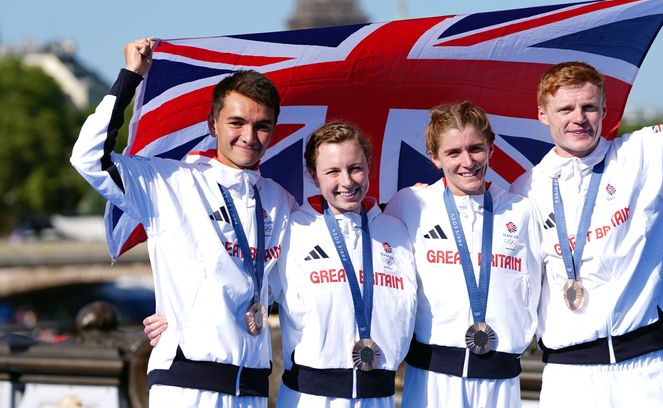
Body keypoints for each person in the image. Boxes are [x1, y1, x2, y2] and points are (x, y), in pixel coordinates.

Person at [509, 0, 663, 407]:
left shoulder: (644, 156)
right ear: (542, 114)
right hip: (567, 377)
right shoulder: (525, 190)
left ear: (605, 108)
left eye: (589, 108)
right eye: (565, 110)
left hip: (644, 373)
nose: (579, 119)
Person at [71, 38, 297, 407]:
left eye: (262, 126)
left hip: (253, 389)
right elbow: (89, 158)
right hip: (186, 386)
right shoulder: (170, 182)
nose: (249, 137)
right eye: (236, 123)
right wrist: (130, 76)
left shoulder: (278, 201)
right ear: (213, 124)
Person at [384, 101, 543, 407]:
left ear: (491, 148)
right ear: (434, 158)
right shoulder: (410, 204)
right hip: (433, 379)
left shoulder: (521, 210)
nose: (467, 161)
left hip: (501, 378)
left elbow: (535, 284)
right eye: (453, 153)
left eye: (475, 149)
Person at [274, 122, 417, 407]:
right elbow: (245, 284)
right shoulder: (292, 228)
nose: (347, 181)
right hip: (310, 397)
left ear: (369, 165)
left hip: (379, 396)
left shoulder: (396, 231)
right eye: (332, 172)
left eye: (355, 168)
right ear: (314, 176)